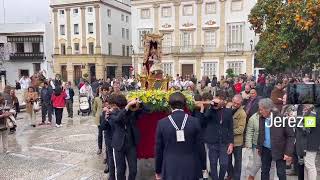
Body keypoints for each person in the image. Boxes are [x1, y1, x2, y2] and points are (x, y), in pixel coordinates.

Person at [155, 92, 206, 180]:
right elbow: (200, 146)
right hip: (191, 165)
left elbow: (158, 149)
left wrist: (158, 170)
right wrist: (203, 167)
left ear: (170, 105)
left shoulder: (162, 123)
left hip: (170, 166)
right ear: (185, 104)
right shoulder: (195, 122)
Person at [257, 98, 295, 180]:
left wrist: (288, 152)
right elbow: (261, 133)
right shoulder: (262, 118)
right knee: (264, 171)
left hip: (280, 150)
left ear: (268, 109)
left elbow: (291, 136)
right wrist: (259, 147)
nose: (260, 111)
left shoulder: (281, 118)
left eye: (261, 109)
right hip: (265, 149)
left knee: (281, 173)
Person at [109, 95, 144, 180]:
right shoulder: (112, 113)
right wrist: (127, 107)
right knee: (120, 170)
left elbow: (145, 111)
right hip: (118, 145)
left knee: (133, 170)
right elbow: (118, 119)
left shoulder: (130, 111)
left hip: (131, 144)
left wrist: (140, 103)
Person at [202, 95, 234, 180]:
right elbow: (205, 118)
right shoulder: (210, 111)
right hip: (212, 142)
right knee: (213, 163)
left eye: (218, 102)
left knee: (224, 164)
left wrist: (231, 143)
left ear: (222, 102)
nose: (216, 104)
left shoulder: (228, 112)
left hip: (224, 142)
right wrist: (211, 106)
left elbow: (231, 128)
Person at [245, 112, 276, 180]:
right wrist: (248, 144)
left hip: (271, 145)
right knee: (258, 163)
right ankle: (251, 176)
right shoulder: (253, 118)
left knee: (272, 165)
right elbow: (249, 131)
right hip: (257, 144)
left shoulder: (274, 116)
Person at [226, 95, 246, 180]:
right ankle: (230, 175)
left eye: (237, 104)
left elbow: (241, 129)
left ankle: (236, 177)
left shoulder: (242, 113)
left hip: (237, 142)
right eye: (234, 102)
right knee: (227, 160)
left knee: (238, 162)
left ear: (241, 104)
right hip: (228, 141)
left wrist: (229, 132)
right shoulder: (228, 108)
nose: (235, 105)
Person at [92, 86, 108, 155]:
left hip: (107, 118)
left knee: (107, 134)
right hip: (100, 118)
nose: (106, 91)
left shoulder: (109, 98)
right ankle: (100, 148)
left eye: (107, 90)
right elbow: (94, 109)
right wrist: (97, 115)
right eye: (104, 90)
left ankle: (107, 149)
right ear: (101, 91)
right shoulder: (97, 99)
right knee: (100, 134)